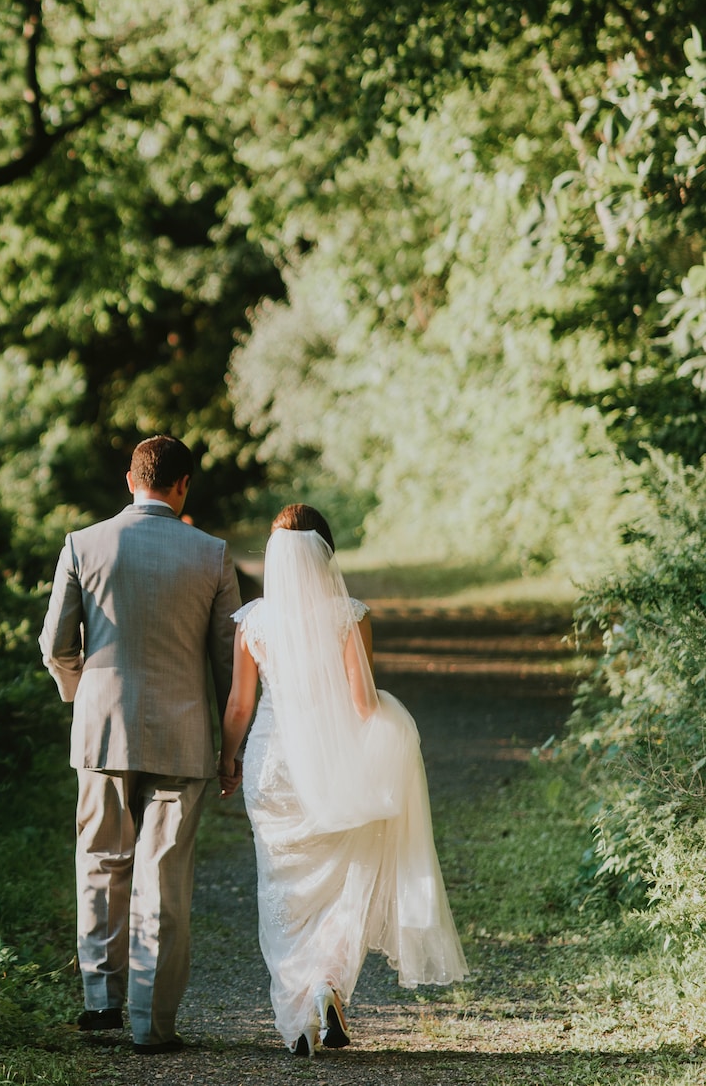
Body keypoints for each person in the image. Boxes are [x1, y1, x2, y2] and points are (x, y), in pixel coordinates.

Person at [219, 505, 468, 1057]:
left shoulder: (254, 620)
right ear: (327, 554)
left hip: (272, 765)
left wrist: (227, 760)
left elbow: (240, 704)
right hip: (331, 764)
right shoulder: (349, 615)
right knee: (342, 881)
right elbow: (361, 704)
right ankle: (326, 986)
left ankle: (299, 1012)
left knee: (282, 888)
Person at [39, 435, 240, 1054]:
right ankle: (152, 1024)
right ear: (184, 487)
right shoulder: (212, 554)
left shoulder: (82, 544)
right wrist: (230, 748)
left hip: (101, 730)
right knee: (164, 876)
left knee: (101, 863)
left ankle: (101, 1006)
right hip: (183, 737)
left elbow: (55, 645)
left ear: (131, 479)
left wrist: (82, 693)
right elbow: (229, 665)